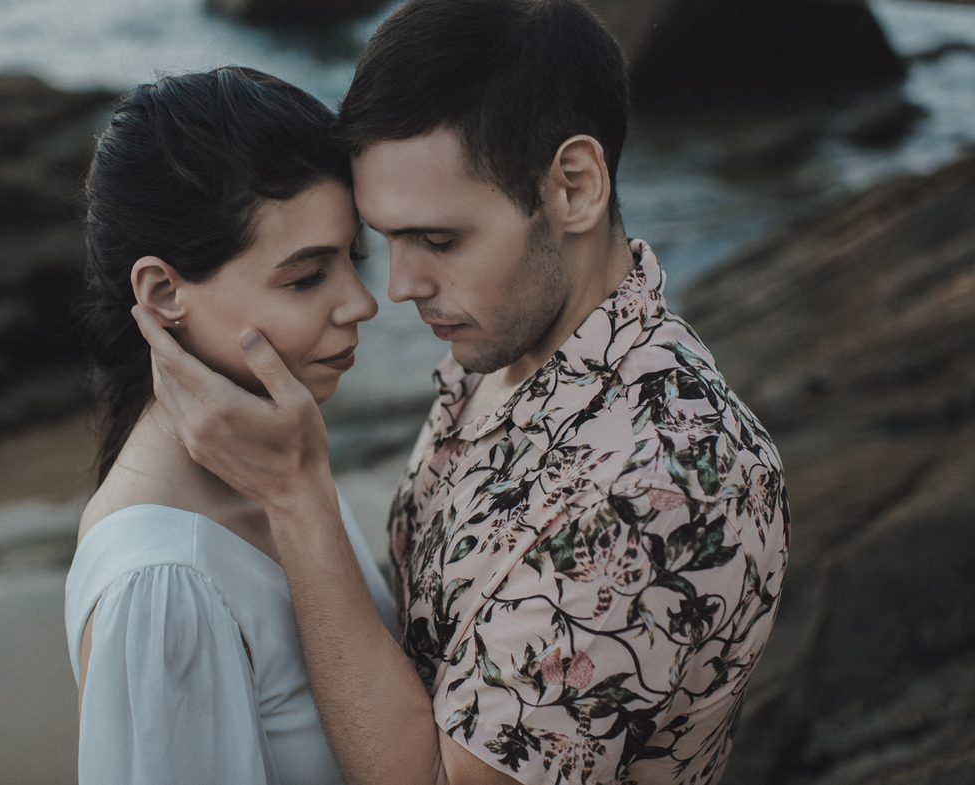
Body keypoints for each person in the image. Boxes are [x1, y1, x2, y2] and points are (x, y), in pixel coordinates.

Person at [133, 1, 790, 783]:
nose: (399, 288)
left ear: (574, 187)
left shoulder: (661, 482)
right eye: (385, 239)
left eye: (438, 240)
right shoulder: (504, 349)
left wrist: (297, 494)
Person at [63, 66, 394, 785]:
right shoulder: (163, 584)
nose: (363, 302)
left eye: (354, 258)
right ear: (162, 292)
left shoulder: (279, 457)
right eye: (308, 276)